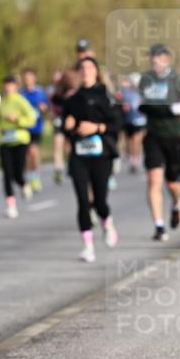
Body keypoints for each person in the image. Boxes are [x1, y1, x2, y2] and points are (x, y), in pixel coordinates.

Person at [137, 44, 180, 242]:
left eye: (159, 58)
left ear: (167, 59)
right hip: (153, 135)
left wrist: (171, 109)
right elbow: (140, 101)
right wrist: (144, 108)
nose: (155, 62)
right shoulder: (145, 80)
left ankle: (177, 203)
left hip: (174, 135)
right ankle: (159, 226)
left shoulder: (178, 79)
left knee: (173, 183)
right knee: (154, 180)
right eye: (152, 58)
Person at [63, 56, 120, 261]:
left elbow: (117, 125)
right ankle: (88, 246)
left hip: (101, 154)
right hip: (79, 154)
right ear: (78, 73)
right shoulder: (72, 99)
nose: (86, 71)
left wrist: (96, 128)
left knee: (100, 201)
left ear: (96, 72)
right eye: (82, 68)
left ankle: (107, 221)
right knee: (82, 200)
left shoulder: (106, 96)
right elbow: (65, 125)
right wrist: (67, 125)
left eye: (89, 67)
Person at [0, 76, 38, 218]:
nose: (8, 87)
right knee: (7, 173)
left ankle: (24, 184)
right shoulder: (1, 102)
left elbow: (32, 119)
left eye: (11, 84)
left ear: (16, 86)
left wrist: (18, 119)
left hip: (20, 140)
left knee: (18, 172)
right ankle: (11, 205)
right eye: (6, 84)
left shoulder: (21, 101)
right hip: (5, 141)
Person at [20, 68, 49, 194]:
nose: (28, 80)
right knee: (26, 154)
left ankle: (36, 175)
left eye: (30, 78)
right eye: (26, 78)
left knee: (33, 152)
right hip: (24, 128)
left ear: (34, 79)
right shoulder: (21, 94)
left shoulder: (40, 92)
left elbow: (46, 107)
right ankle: (31, 177)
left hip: (36, 127)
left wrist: (43, 108)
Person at [50, 68, 78, 185]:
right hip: (59, 121)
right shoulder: (57, 93)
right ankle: (58, 169)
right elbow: (53, 105)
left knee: (69, 146)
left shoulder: (75, 92)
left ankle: (71, 166)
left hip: (71, 122)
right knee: (58, 143)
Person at [120, 73, 147, 174]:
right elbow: (120, 100)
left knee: (137, 140)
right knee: (130, 141)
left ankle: (136, 159)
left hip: (140, 120)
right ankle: (131, 157)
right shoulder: (126, 92)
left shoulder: (142, 92)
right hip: (128, 120)